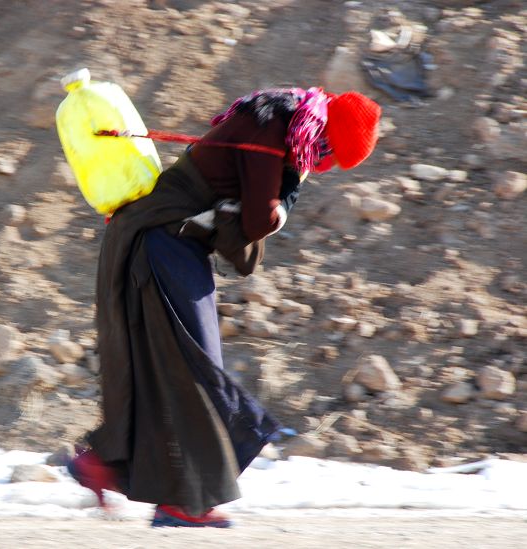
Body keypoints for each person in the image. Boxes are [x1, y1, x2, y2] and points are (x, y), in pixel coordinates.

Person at [68, 87, 382, 527]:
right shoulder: (273, 130)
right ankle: (181, 500)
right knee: (195, 371)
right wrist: (284, 198)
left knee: (170, 368)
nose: (321, 164)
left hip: (163, 243)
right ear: (324, 133)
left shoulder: (281, 123)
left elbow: (243, 225)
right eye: (326, 155)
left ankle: (104, 465)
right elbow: (255, 223)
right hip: (159, 242)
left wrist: (271, 196)